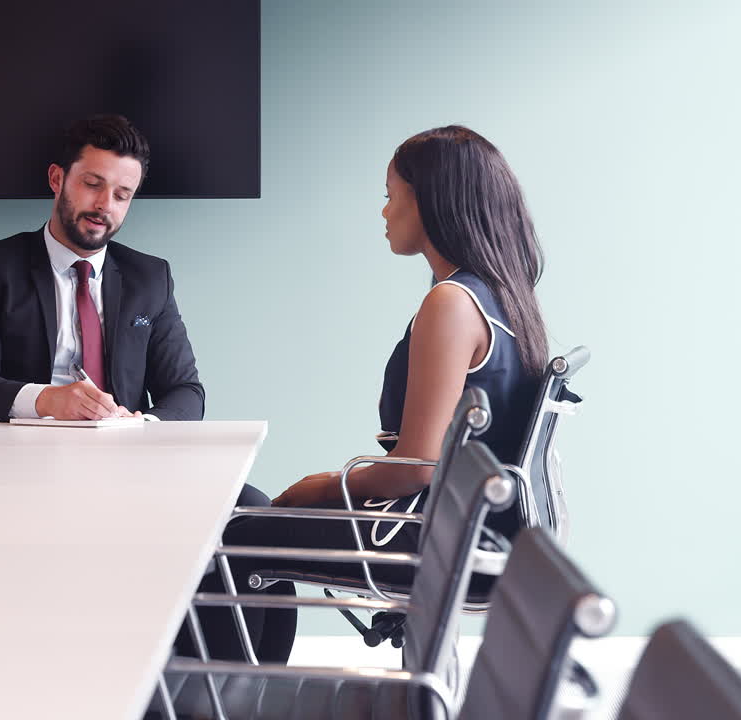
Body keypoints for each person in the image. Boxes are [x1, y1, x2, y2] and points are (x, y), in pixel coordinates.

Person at [184, 125, 550, 663]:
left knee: (233, 534)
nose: (384, 212)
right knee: (249, 516)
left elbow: (415, 468)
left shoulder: (451, 304)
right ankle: (250, 689)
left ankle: (216, 697)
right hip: (480, 531)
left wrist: (324, 486)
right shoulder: (501, 295)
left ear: (427, 203)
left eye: (390, 196)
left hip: (430, 538)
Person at [0, 114, 206, 423]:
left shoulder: (150, 278)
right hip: (18, 457)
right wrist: (45, 400)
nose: (105, 204)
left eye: (122, 195)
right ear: (57, 179)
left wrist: (142, 426)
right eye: (92, 184)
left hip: (123, 458)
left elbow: (185, 392)